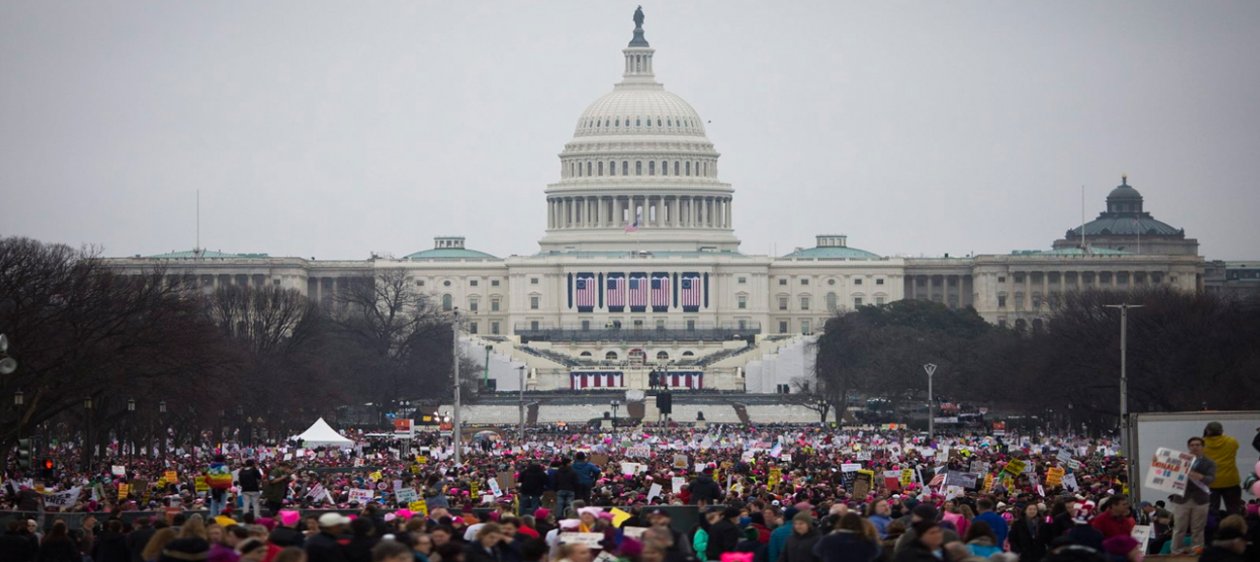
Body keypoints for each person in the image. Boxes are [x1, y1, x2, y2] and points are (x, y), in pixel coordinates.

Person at [1171, 436, 1217, 553]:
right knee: (1179, 527)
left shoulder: (1210, 463)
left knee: (1198, 528)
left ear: (1202, 447)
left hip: (1201, 500)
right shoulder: (1181, 460)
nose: (1195, 447)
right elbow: (1169, 473)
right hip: (1182, 498)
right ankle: (1176, 551)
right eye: (1192, 445)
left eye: (1197, 445)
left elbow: (1211, 479)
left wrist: (1201, 477)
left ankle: (1196, 551)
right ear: (1188, 447)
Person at [1203, 422, 1243, 517]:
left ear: (1207, 431)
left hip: (1211, 483)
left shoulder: (1202, 444)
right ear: (1221, 431)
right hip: (1231, 481)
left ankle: (1213, 530)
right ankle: (1235, 529)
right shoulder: (1231, 441)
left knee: (1212, 511)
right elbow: (1236, 447)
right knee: (1234, 510)